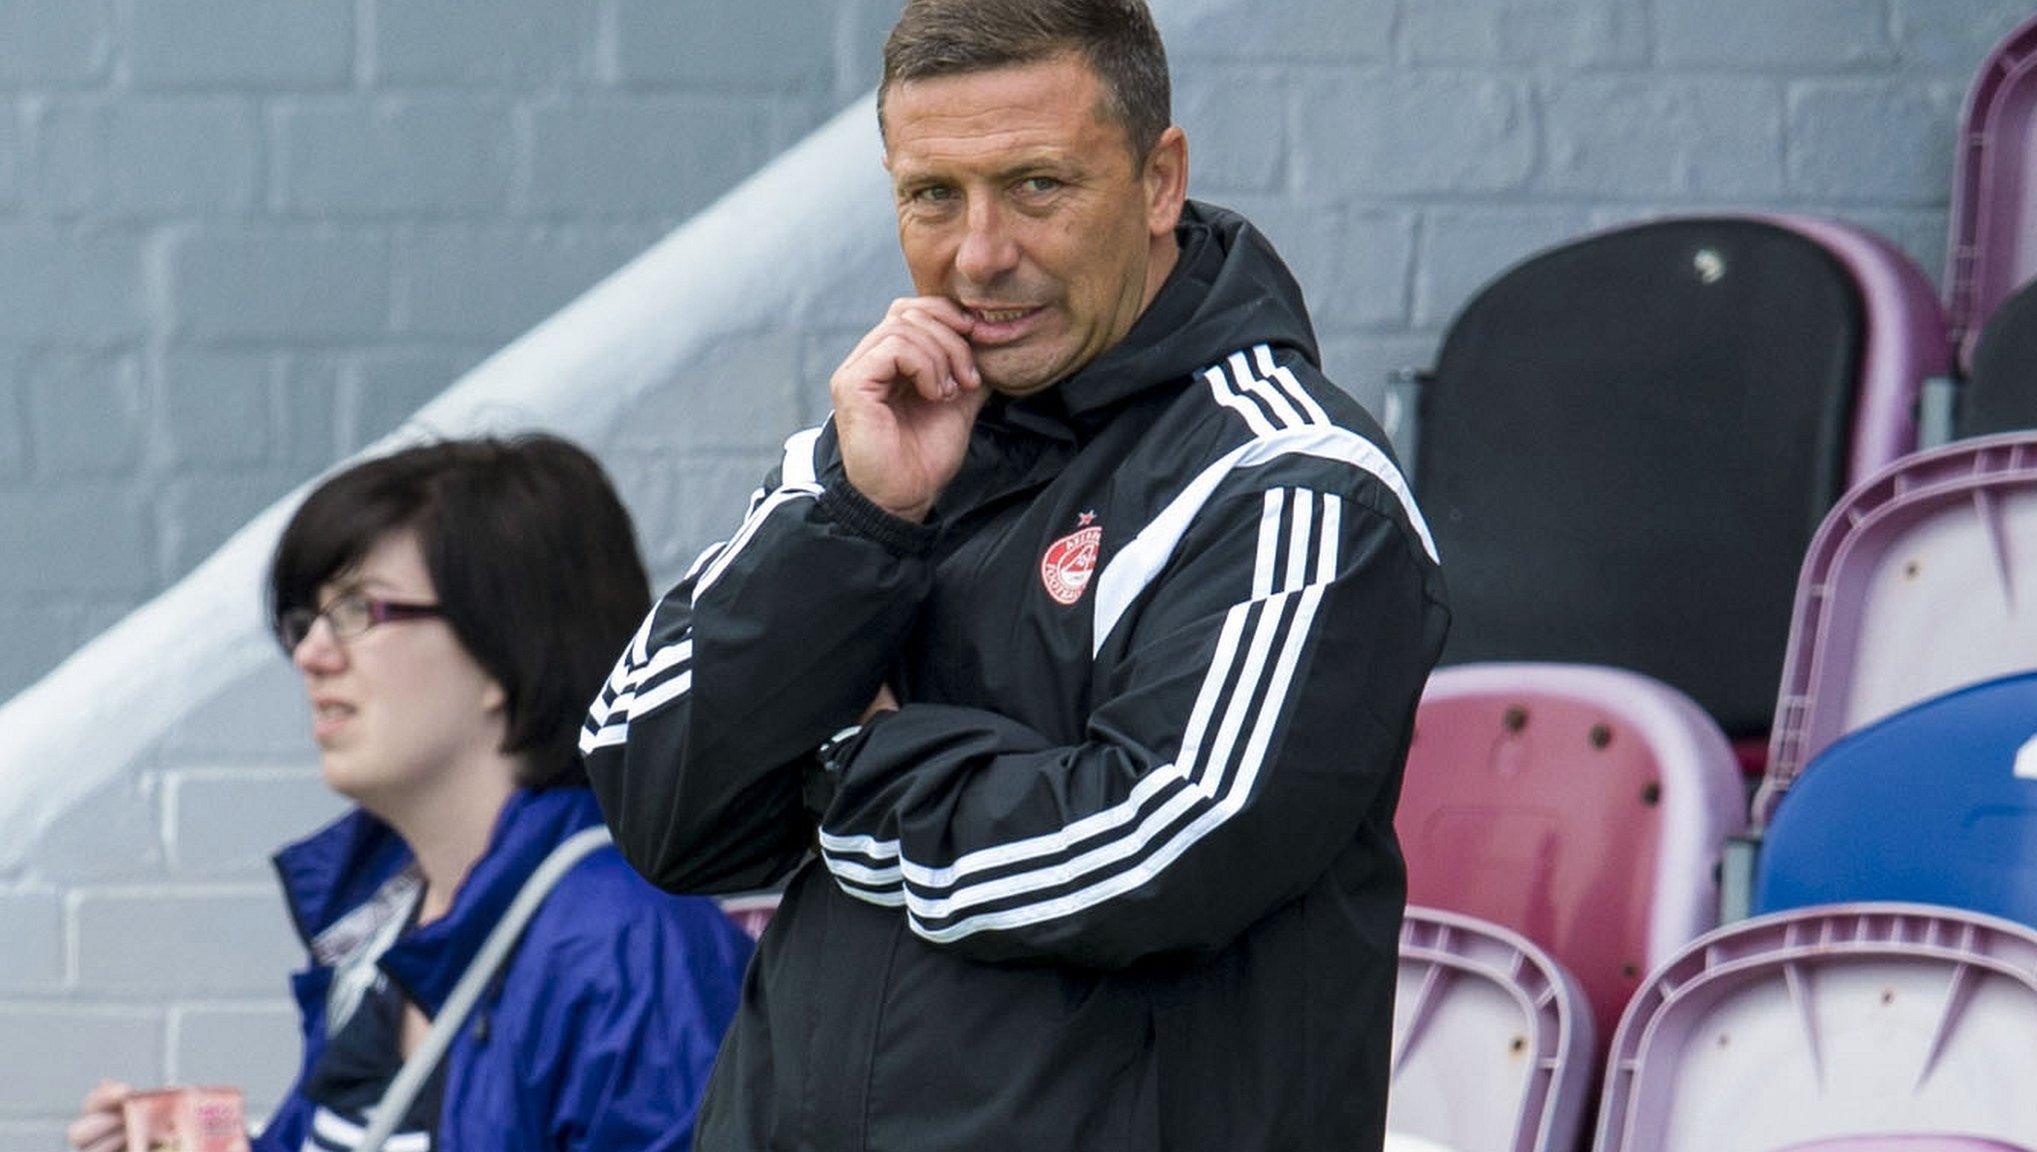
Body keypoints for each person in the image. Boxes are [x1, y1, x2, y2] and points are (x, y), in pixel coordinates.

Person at [583, 0, 1450, 1147]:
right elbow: (655, 794)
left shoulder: (1292, 484)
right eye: (931, 195)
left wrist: (844, 761)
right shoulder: (872, 447)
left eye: (1037, 185)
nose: (978, 252)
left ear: (1157, 180)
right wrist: (858, 521)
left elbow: (1151, 853)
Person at [69, 436, 754, 1152]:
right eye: (308, 621)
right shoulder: (382, 922)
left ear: (507, 647)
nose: (311, 655)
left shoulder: (630, 945)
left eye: (362, 611)